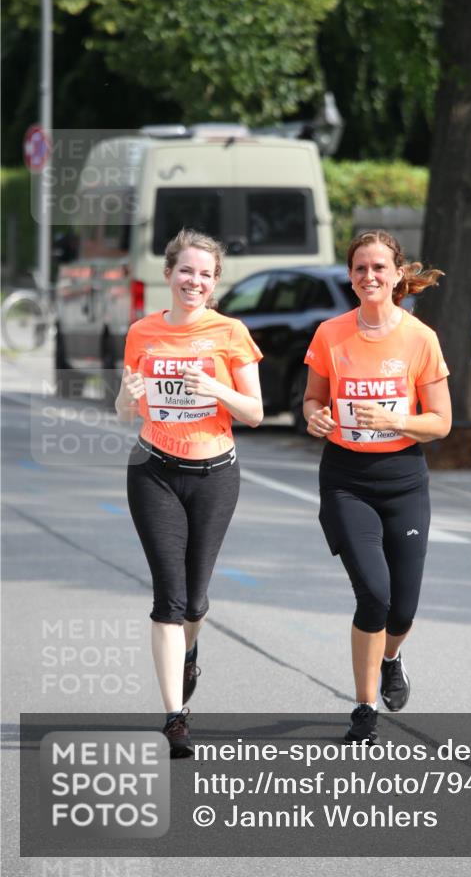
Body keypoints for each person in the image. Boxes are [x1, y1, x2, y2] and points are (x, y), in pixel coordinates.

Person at [116, 228, 263, 757]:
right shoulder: (142, 333)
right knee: (169, 599)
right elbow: (125, 408)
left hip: (215, 475)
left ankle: (189, 651)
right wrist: (127, 397)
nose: (193, 281)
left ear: (215, 281)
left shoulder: (231, 332)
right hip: (153, 469)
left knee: (195, 600)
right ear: (169, 274)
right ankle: (175, 717)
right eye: (185, 271)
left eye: (205, 274)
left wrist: (217, 388)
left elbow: (255, 413)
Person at [303, 230, 451, 743]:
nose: (370, 276)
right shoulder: (329, 334)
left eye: (379, 268)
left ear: (396, 274)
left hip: (404, 479)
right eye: (360, 268)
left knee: (402, 608)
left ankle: (392, 657)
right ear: (350, 276)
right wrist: (316, 418)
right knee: (375, 595)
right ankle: (364, 709)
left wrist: (394, 417)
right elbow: (313, 401)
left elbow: (442, 422)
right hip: (346, 479)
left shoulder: (419, 338)